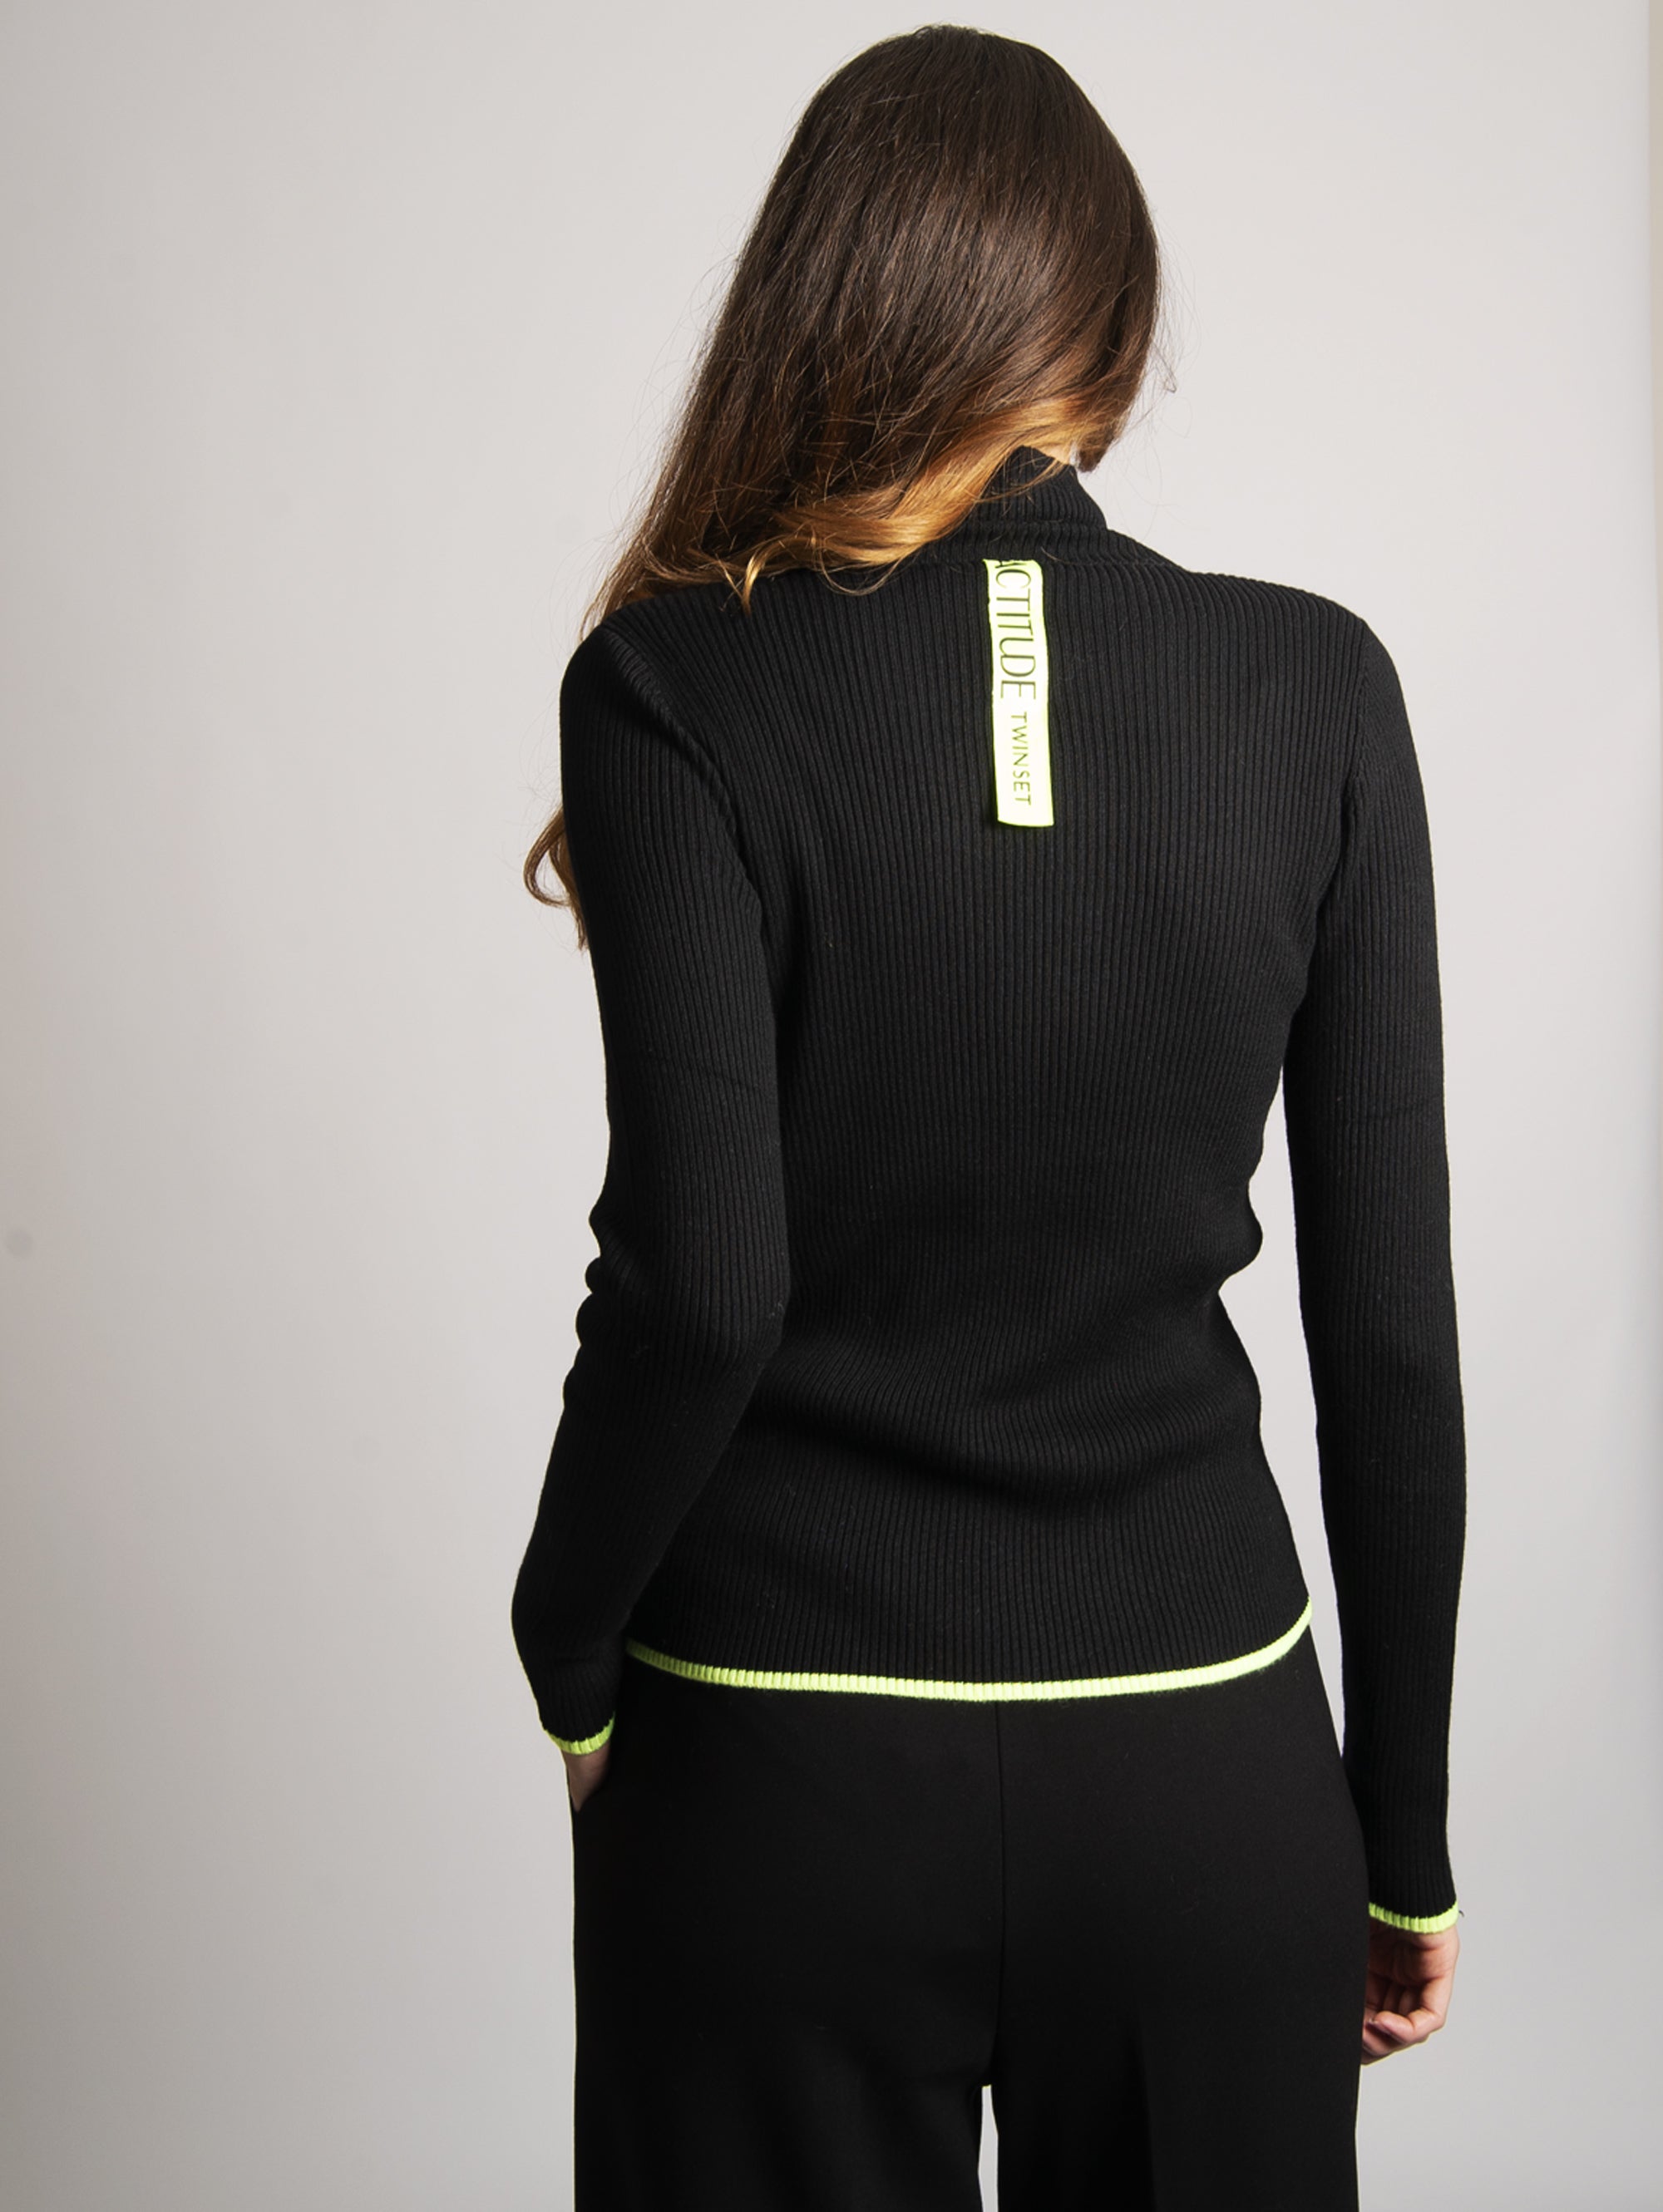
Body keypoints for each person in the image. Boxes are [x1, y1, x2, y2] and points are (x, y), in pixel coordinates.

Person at [511, 24, 1465, 2211]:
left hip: (777, 1758)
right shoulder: (1318, 689)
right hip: (1205, 1756)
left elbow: (703, 1287)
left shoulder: (671, 681)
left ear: (820, 304)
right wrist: (1399, 1838)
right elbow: (1391, 1337)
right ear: (1107, 339)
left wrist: (568, 1655)